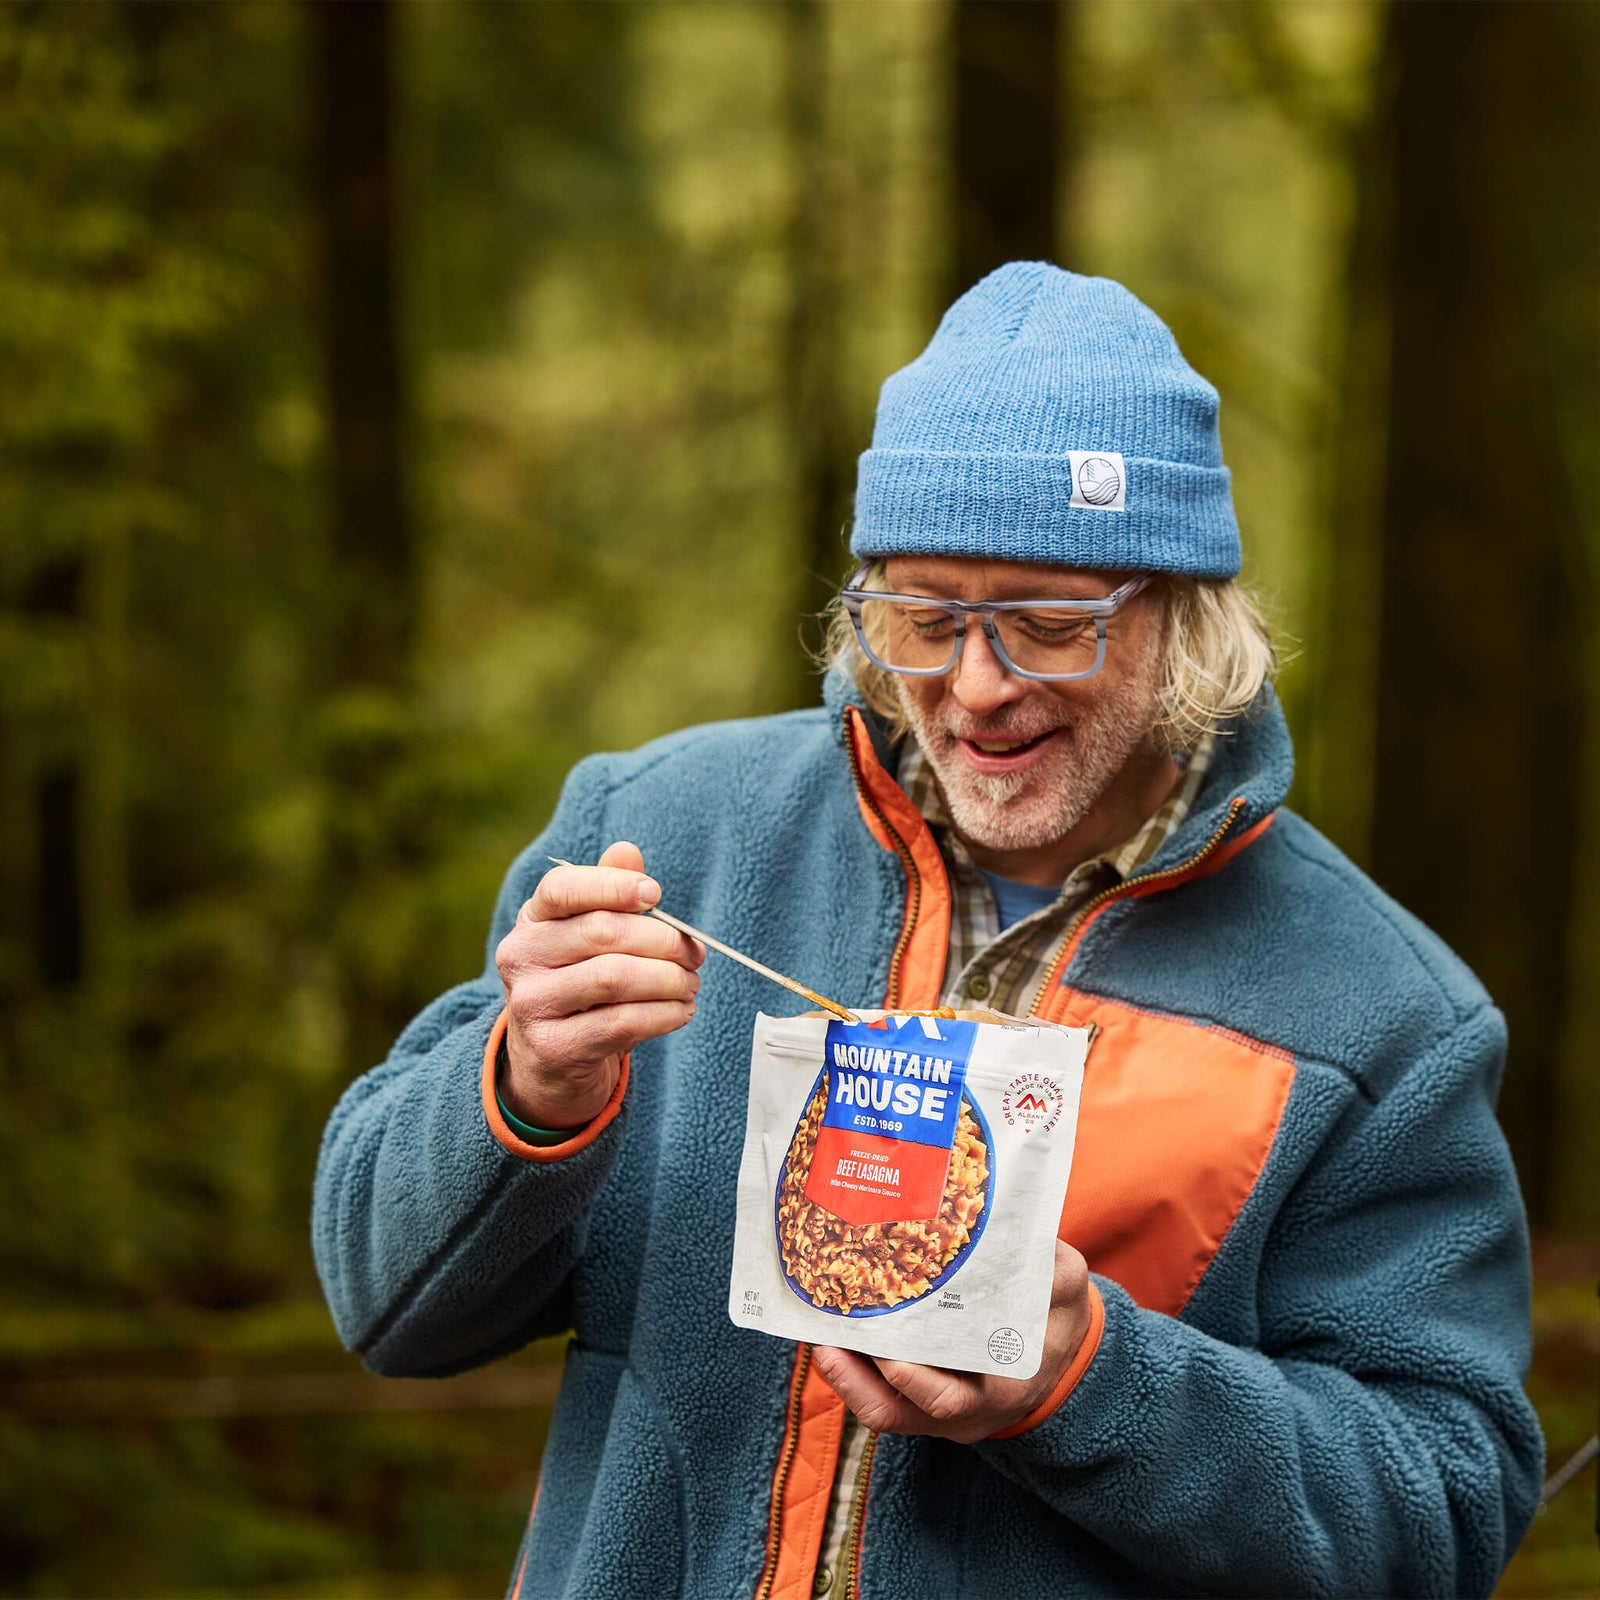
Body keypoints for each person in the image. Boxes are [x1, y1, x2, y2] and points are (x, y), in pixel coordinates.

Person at [313, 263, 1543, 1599]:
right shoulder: (661, 839)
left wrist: (1093, 1383)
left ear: (1185, 618)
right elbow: (385, 1307)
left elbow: (1445, 1509)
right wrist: (525, 1091)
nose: (976, 685)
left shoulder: (1378, 1015)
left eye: (1048, 625)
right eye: (924, 616)